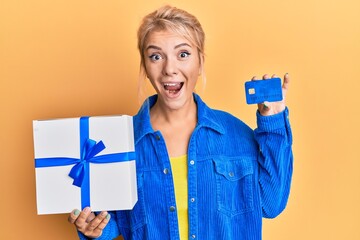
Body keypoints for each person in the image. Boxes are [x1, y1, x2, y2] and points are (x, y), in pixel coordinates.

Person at [68, 5, 293, 240]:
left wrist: (273, 122)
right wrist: (93, 228)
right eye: (156, 56)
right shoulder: (120, 142)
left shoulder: (235, 135)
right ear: (145, 66)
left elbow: (271, 204)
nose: (169, 69)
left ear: (200, 62)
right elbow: (116, 224)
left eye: (183, 54)